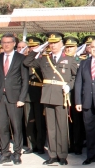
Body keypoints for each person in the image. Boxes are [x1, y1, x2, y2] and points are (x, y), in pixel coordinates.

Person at [24, 32, 79, 166]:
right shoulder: (44, 58)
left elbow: (75, 77)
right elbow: (27, 62)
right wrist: (36, 49)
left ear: (61, 44)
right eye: (51, 43)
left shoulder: (70, 59)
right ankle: (53, 155)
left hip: (61, 95)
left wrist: (69, 86)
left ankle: (62, 155)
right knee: (51, 128)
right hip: (47, 96)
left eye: (55, 43)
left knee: (62, 127)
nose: (53, 45)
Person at [0, 33, 29, 165]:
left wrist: (22, 98)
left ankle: (17, 153)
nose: (6, 44)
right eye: (4, 42)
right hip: (0, 98)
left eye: (8, 42)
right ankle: (5, 153)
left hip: (15, 98)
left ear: (13, 44)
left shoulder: (20, 58)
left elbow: (25, 80)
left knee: (16, 127)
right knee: (2, 127)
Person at [23, 37, 46, 155]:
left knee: (39, 122)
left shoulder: (43, 59)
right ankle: (31, 145)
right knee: (29, 121)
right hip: (28, 93)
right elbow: (26, 62)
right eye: (30, 46)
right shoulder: (28, 59)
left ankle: (40, 145)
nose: (32, 48)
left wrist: (37, 52)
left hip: (39, 93)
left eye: (35, 46)